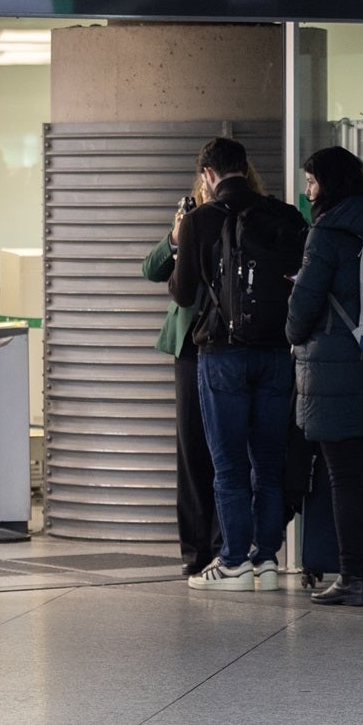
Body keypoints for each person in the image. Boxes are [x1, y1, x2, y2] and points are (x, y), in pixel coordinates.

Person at [169, 136, 306, 591]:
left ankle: (232, 562)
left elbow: (184, 293)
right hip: (276, 353)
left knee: (227, 465)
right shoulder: (285, 215)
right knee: (267, 462)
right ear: (245, 169)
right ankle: (266, 561)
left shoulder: (199, 220)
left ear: (208, 175)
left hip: (223, 354)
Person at [285, 146, 363, 607]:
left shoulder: (326, 233)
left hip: (334, 371)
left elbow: (304, 308)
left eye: (312, 182)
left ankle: (352, 578)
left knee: (343, 478)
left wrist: (293, 328)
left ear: (329, 183)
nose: (308, 191)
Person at [143, 172, 220, 577]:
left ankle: (225, 546)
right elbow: (151, 269)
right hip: (189, 346)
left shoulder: (237, 216)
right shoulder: (189, 221)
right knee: (191, 452)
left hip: (227, 344)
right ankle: (195, 551)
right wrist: (175, 238)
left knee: (225, 450)